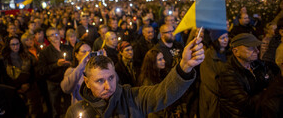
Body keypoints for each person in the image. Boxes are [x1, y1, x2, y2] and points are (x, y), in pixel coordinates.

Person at [65, 37, 205, 117]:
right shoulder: (76, 112)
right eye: (100, 81)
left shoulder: (133, 97)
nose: (108, 86)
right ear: (87, 82)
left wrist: (185, 66)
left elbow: (162, 92)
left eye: (111, 78)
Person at [218, 33, 274, 117]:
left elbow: (272, 84)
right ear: (236, 51)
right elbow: (246, 104)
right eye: (251, 48)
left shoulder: (258, 65)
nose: (257, 51)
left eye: (256, 47)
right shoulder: (228, 73)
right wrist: (267, 93)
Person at [2, 36, 42, 117]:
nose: (16, 46)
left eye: (17, 44)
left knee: (33, 111)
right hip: (14, 89)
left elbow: (32, 72)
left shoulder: (26, 56)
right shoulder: (5, 59)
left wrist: (28, 84)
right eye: (13, 44)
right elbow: (5, 77)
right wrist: (18, 87)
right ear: (9, 46)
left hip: (29, 87)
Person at [36, 27, 72, 118]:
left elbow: (75, 61)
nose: (55, 36)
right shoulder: (45, 52)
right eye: (52, 35)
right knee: (55, 109)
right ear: (48, 38)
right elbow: (41, 71)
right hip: (54, 84)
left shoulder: (68, 48)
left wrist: (71, 64)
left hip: (68, 81)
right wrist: (56, 65)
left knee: (69, 107)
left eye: (56, 33)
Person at [199, 30, 229, 118]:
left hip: (224, 96)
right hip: (211, 95)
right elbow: (209, 78)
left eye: (227, 37)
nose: (225, 40)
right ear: (216, 39)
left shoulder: (228, 54)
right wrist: (224, 91)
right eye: (222, 38)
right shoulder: (208, 55)